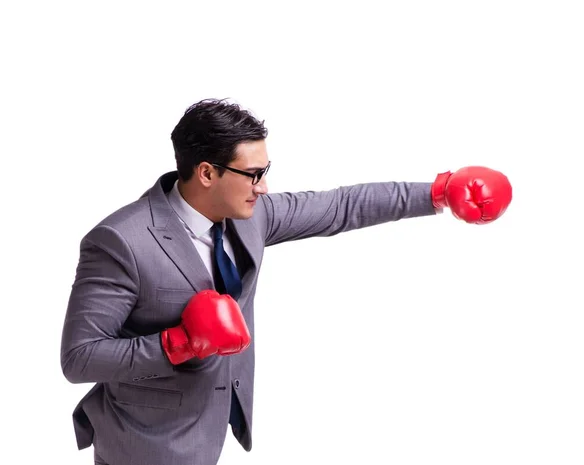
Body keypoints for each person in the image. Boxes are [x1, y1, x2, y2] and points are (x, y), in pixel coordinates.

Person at [60, 98, 512, 465]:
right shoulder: (121, 241)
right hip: (144, 445)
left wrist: (438, 192)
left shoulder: (249, 218)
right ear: (206, 172)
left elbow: (341, 205)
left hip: (213, 424)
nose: (264, 188)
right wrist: (180, 343)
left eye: (266, 171)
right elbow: (80, 359)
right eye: (253, 174)